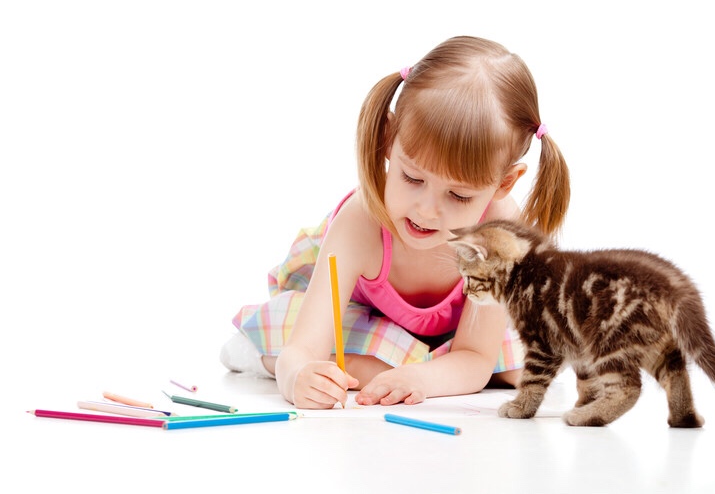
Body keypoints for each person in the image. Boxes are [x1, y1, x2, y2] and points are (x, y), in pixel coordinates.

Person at [220, 35, 570, 409]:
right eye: (413, 179)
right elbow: (305, 346)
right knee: (295, 332)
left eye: (459, 196)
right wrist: (296, 376)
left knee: (533, 356)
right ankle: (259, 356)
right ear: (388, 139)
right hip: (362, 316)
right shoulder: (361, 222)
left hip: (451, 334)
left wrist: (418, 378)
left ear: (504, 183)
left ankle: (373, 364)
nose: (427, 210)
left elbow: (476, 357)